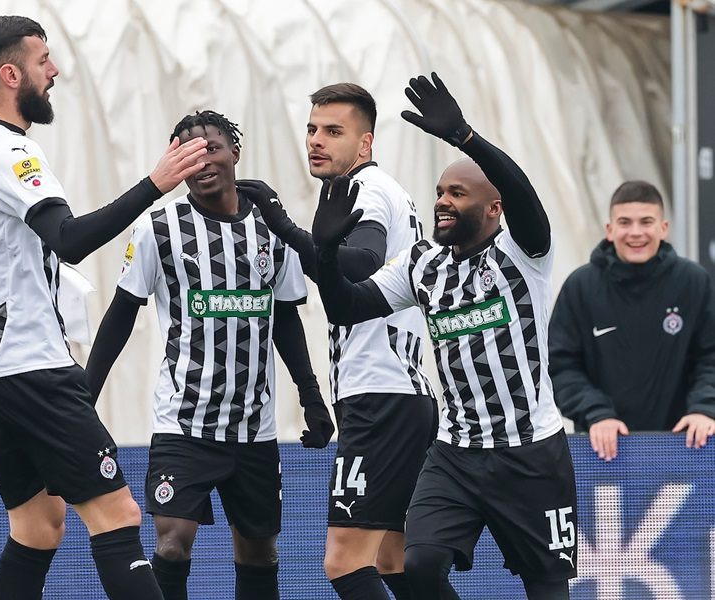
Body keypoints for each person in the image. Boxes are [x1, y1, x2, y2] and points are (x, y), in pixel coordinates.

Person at [0, 16, 207, 600]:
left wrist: (6, 276)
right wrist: (154, 184)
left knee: (37, 526)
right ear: (11, 74)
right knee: (118, 515)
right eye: (43, 61)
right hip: (33, 365)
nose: (54, 71)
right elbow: (70, 239)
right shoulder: (10, 152)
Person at [309, 73, 578, 600]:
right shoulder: (423, 264)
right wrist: (325, 253)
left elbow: (525, 197)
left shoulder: (525, 256)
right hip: (455, 452)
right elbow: (347, 309)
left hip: (530, 451)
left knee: (547, 588)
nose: (442, 202)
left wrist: (464, 137)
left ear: (494, 208)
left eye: (457, 193)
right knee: (420, 564)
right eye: (439, 192)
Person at [85, 110, 333, 600]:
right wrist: (84, 397)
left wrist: (311, 396)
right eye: (189, 155)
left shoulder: (273, 229)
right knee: (172, 545)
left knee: (260, 554)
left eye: (212, 149)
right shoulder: (159, 227)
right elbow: (120, 315)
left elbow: (286, 318)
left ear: (235, 153)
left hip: (254, 428)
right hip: (184, 423)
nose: (202, 163)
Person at [238, 83, 437, 600]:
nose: (316, 140)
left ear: (365, 143)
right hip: (395, 395)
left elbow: (361, 263)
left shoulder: (366, 189)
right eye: (311, 129)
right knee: (392, 560)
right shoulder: (372, 191)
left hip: (381, 398)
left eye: (333, 131)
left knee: (345, 562)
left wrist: (284, 227)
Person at [549, 180, 715, 461]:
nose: (636, 232)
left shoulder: (694, 282)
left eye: (646, 222)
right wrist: (597, 413)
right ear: (609, 229)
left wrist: (704, 408)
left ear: (663, 228)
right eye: (625, 222)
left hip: (683, 449)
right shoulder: (581, 287)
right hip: (603, 453)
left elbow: (710, 357)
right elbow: (560, 365)